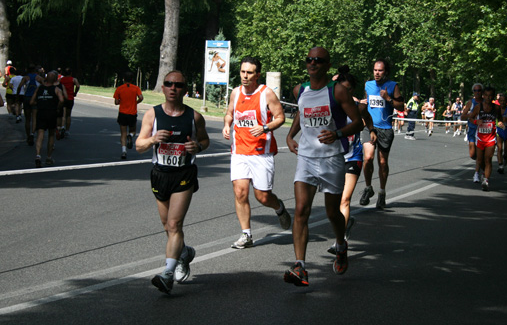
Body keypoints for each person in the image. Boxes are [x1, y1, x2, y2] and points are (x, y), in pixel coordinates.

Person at [284, 47, 362, 287]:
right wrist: (289, 136)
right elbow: (301, 113)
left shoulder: (337, 91)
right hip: (306, 158)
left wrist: (337, 133)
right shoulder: (301, 90)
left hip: (331, 158)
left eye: (318, 60)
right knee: (300, 210)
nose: (312, 63)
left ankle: (341, 244)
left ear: (327, 66)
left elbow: (358, 123)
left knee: (331, 213)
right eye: (309, 60)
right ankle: (300, 266)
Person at [136, 70, 209, 294]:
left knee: (175, 224)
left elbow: (205, 140)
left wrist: (197, 147)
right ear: (164, 87)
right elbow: (139, 145)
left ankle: (167, 274)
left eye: (177, 85)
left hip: (184, 175)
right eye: (168, 84)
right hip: (160, 174)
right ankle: (184, 253)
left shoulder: (194, 117)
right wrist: (152, 139)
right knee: (167, 225)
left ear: (185, 90)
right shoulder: (152, 114)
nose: (172, 88)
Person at [222, 57, 291, 249]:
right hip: (239, 152)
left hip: (261, 153)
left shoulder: (266, 94)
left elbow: (280, 117)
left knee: (262, 196)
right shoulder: (235, 93)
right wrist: (227, 125)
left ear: (257, 75)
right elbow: (229, 113)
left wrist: (265, 128)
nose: (245, 76)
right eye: (243, 72)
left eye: (249, 72)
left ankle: (279, 208)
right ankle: (246, 235)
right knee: (240, 192)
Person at [326, 66, 375, 254]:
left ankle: (340, 242)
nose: (343, 92)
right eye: (340, 88)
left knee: (344, 200)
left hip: (353, 156)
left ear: (352, 90)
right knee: (334, 204)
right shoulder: (331, 105)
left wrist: (371, 131)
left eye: (347, 89)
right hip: (335, 156)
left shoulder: (358, 107)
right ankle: (346, 225)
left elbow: (367, 116)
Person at [358, 59, 404, 209]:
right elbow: (367, 102)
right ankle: (368, 187)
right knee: (368, 157)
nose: (377, 73)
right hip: (370, 126)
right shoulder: (368, 85)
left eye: (380, 70)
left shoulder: (393, 86)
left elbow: (401, 106)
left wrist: (389, 99)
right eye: (375, 70)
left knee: (383, 163)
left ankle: (382, 192)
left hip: (385, 128)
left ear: (386, 72)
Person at [468, 86, 504, 191]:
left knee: (488, 159)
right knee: (480, 160)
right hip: (480, 137)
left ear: (493, 97)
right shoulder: (479, 107)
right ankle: (484, 172)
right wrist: (476, 122)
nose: (488, 98)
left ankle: (486, 180)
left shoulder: (496, 108)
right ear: (483, 96)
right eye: (486, 96)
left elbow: (500, 119)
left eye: (490, 96)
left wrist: (500, 123)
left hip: (491, 138)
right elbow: (470, 117)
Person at [31, 71, 64, 167]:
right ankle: (49, 157)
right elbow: (62, 100)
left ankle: (38, 155)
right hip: (52, 113)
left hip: (41, 112)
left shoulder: (39, 88)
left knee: (40, 134)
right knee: (51, 135)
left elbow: (32, 101)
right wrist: (57, 107)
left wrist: (40, 103)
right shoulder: (56, 89)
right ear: (55, 80)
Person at [114, 72, 144, 159]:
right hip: (132, 113)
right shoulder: (136, 88)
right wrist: (136, 102)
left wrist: (122, 101)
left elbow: (116, 102)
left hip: (122, 113)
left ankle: (124, 151)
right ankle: (130, 136)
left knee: (123, 133)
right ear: (132, 79)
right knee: (133, 130)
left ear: (123, 79)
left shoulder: (119, 89)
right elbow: (141, 97)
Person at [461, 83, 484, 182]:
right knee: (472, 154)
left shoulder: (485, 102)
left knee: (479, 154)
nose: (477, 92)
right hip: (472, 129)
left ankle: (477, 173)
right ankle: (481, 164)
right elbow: (463, 116)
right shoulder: (471, 102)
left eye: (479, 90)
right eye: (475, 91)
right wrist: (472, 115)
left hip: (482, 131)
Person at [18, 65, 42, 146]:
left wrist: (18, 95)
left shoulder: (25, 78)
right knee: (34, 117)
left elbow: (20, 86)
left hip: (27, 98)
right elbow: (44, 85)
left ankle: (28, 136)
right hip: (35, 99)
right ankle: (32, 133)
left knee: (27, 118)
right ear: (35, 70)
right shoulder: (38, 78)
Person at [59, 67, 80, 138]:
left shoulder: (61, 80)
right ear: (71, 73)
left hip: (63, 97)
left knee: (63, 114)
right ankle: (67, 130)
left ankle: (62, 126)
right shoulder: (73, 79)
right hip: (70, 98)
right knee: (68, 115)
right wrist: (75, 92)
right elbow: (78, 85)